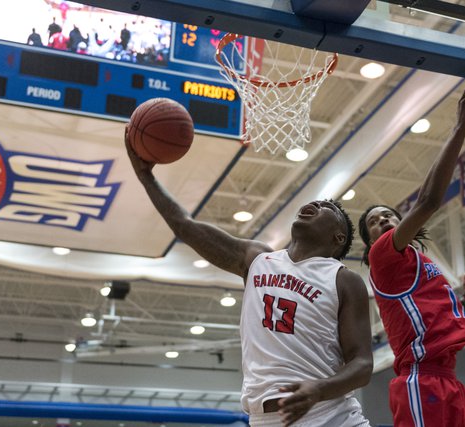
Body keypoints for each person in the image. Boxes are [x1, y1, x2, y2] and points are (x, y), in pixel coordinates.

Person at [125, 133, 374, 426]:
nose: (315, 204)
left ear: (338, 237)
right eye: (314, 202)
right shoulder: (256, 258)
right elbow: (185, 225)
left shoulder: (344, 280)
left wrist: (319, 389)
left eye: (326, 209)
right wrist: (146, 178)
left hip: (330, 415)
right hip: (265, 419)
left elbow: (362, 364)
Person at [358, 81, 465, 427]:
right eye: (374, 221)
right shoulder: (383, 257)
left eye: (388, 214)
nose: (384, 219)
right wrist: (461, 127)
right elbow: (429, 200)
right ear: (371, 242)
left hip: (448, 379)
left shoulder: (423, 264)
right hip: (420, 379)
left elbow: (443, 334)